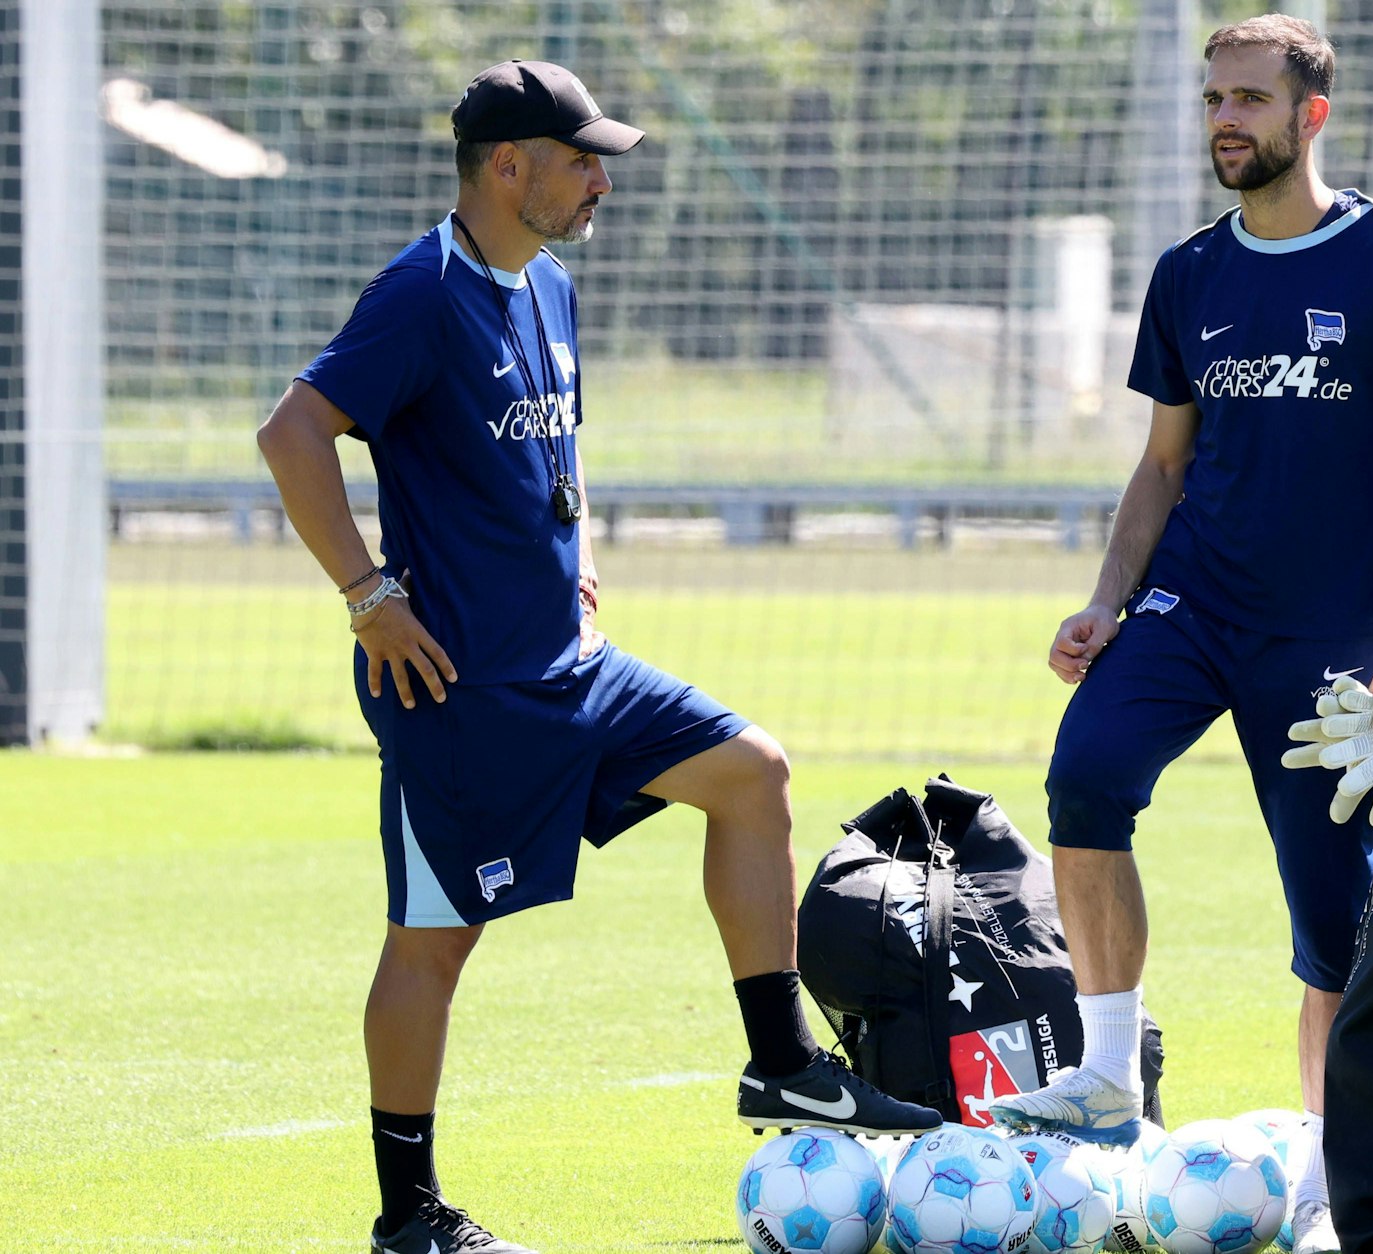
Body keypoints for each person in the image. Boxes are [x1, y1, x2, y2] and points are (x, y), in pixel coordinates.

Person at [256, 60, 939, 1254]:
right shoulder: (420, 293)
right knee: (432, 943)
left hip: (577, 665)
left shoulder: (549, 283)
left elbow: (540, 451)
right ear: (505, 165)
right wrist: (367, 596)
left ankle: (781, 1064)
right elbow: (293, 429)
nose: (600, 181)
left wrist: (567, 552)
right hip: (459, 695)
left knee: (750, 773)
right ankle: (408, 1219)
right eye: (580, 159)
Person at [988, 16, 1373, 1254]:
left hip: (1326, 643)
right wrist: (1105, 596)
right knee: (1083, 776)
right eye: (1213, 98)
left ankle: (1326, 1181)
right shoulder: (1188, 273)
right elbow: (1159, 466)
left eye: (1248, 99)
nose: (1223, 119)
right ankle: (1105, 1073)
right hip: (1188, 606)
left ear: (1310, 115)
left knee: (1329, 919)